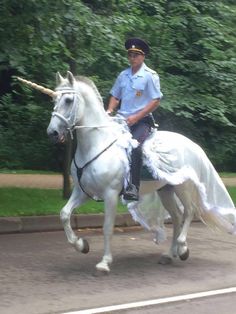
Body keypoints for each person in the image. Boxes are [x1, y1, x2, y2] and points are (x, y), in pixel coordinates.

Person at [107, 38, 163, 201]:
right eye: (130, 55)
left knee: (135, 147)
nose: (132, 58)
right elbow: (115, 96)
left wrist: (137, 117)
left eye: (136, 55)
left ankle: (133, 187)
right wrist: (110, 109)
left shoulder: (150, 76)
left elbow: (155, 100)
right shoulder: (123, 75)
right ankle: (107, 181)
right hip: (122, 120)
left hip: (142, 121)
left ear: (143, 56)